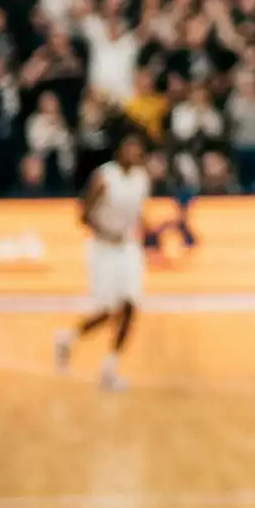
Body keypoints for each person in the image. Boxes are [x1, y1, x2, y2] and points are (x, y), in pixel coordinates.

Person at [54, 130, 151, 391]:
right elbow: (83, 214)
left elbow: (139, 214)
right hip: (103, 248)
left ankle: (110, 366)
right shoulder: (104, 177)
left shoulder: (142, 179)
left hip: (128, 246)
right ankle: (67, 338)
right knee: (107, 310)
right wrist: (105, 231)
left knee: (131, 305)